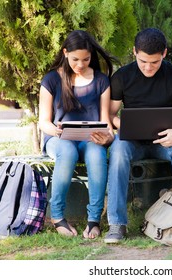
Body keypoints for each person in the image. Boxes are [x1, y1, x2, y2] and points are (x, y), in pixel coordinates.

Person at [104, 27, 172, 243]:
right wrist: (121, 124)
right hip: (132, 141)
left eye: (154, 62)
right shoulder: (122, 77)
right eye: (143, 61)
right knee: (117, 151)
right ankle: (117, 224)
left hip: (166, 141)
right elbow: (110, 115)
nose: (148, 67)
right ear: (134, 52)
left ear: (164, 53)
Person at [39, 30, 116, 238]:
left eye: (86, 59)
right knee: (68, 152)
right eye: (75, 59)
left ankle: (93, 220)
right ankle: (57, 216)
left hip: (89, 139)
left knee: (97, 154)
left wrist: (108, 137)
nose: (80, 65)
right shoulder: (51, 80)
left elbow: (106, 122)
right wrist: (56, 130)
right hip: (58, 138)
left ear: (91, 56)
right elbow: (43, 122)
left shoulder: (101, 81)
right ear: (65, 53)